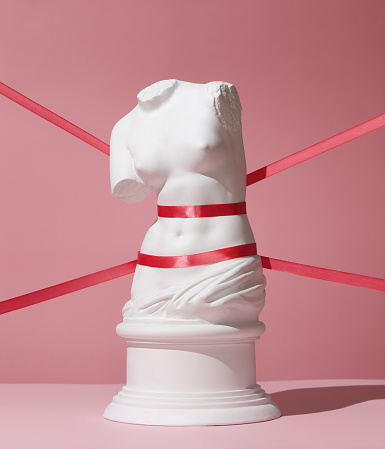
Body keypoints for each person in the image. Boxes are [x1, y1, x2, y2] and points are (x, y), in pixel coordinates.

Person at [110, 79, 266, 325]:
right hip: (155, 266)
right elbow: (131, 193)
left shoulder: (213, 95)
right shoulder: (123, 127)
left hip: (224, 256)